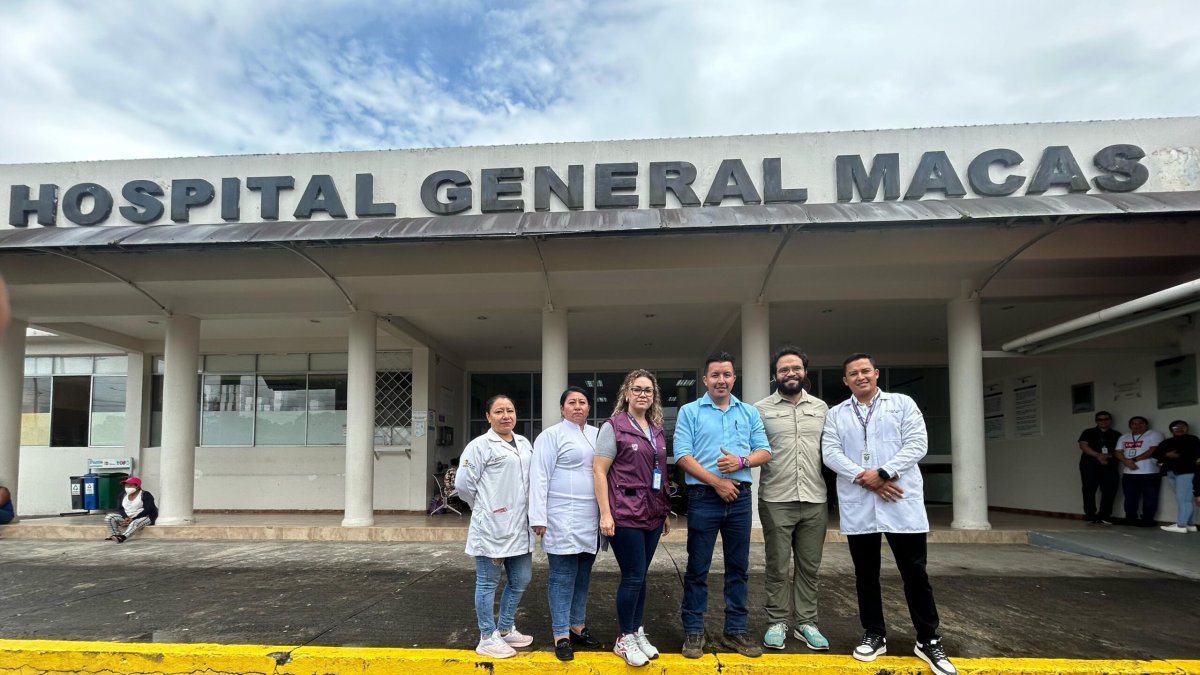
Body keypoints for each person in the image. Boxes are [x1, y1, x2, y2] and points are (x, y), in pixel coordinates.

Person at [822, 353, 956, 675]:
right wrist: (864, 477)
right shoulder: (836, 414)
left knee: (915, 573)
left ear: (876, 373)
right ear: (845, 381)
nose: (860, 377)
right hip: (860, 502)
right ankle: (874, 634)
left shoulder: (902, 404)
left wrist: (883, 473)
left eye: (865, 371)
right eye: (853, 373)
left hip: (900, 499)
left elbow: (917, 444)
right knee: (865, 574)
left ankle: (928, 638)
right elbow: (830, 453)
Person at [673, 352, 771, 659]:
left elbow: (764, 451)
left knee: (738, 568)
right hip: (704, 497)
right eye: (715, 375)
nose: (721, 380)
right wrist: (717, 482)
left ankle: (735, 631)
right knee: (697, 567)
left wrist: (741, 462)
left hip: (740, 498)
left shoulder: (749, 412)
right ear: (705, 379)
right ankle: (693, 631)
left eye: (726, 374)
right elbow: (682, 455)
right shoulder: (690, 411)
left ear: (734, 378)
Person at [754, 345, 830, 651]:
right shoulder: (760, 409)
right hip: (776, 498)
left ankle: (806, 622)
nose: (790, 373)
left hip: (814, 498)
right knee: (777, 565)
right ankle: (777, 621)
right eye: (784, 369)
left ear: (804, 372)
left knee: (809, 567)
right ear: (775, 375)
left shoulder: (821, 408)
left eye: (795, 368)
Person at [594, 370, 672, 667]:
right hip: (625, 513)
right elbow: (599, 471)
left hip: (653, 512)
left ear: (654, 396)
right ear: (626, 393)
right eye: (637, 389)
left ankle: (637, 631)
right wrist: (605, 514)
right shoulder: (613, 427)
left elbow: (660, 473)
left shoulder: (657, 429)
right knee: (633, 576)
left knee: (642, 576)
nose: (642, 394)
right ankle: (624, 638)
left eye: (648, 390)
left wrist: (664, 510)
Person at [455, 395, 536, 659]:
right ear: (488, 416)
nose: (505, 416)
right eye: (499, 411)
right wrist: (485, 507)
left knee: (521, 579)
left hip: (520, 525)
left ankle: (505, 628)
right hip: (492, 526)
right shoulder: (479, 446)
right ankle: (487, 636)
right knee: (488, 582)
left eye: (510, 410)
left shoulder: (524, 443)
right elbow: (463, 485)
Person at [530, 386, 603, 661]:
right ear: (562, 409)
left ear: (589, 408)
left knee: (583, 575)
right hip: (560, 514)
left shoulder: (598, 434)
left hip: (591, 516)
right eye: (571, 402)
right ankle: (560, 633)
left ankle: (577, 625)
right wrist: (538, 517)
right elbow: (539, 476)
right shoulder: (551, 436)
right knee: (562, 576)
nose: (577, 406)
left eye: (582, 402)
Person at [1116, 416, 1165, 527]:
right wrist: (1126, 461)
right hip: (1129, 473)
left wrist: (1133, 460)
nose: (1137, 425)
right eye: (1134, 423)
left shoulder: (1154, 434)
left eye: (1141, 423)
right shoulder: (1124, 437)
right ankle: (1130, 519)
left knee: (1150, 498)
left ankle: (1147, 520)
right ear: (1130, 426)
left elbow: (1153, 450)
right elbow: (1118, 451)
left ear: (1146, 424)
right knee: (1130, 497)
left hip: (1150, 472)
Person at [1077, 410, 1121, 525]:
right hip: (1090, 466)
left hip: (1109, 466)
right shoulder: (1088, 432)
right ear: (1096, 421)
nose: (1103, 421)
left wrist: (1107, 456)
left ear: (1110, 420)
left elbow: (1120, 450)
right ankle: (1090, 515)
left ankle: (1104, 515)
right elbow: (1083, 445)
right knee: (1088, 490)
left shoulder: (1116, 434)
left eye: (1106, 419)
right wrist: (1098, 455)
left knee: (1109, 490)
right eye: (1100, 419)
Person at [1155, 419, 1199, 533]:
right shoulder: (1167, 441)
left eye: (1182, 427)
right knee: (1185, 499)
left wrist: (1176, 455)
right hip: (1171, 472)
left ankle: (1181, 525)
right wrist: (1167, 454)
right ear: (1171, 430)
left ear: (1187, 429)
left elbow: (1193, 453)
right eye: (1176, 427)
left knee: (1184, 499)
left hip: (1186, 472)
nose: (1179, 429)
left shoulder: (1192, 439)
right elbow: (1156, 453)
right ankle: (1190, 524)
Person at [103, 477, 158, 543]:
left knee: (135, 522)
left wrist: (133, 519)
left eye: (130, 485)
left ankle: (123, 537)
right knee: (109, 517)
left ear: (137, 486)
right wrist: (125, 517)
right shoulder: (122, 495)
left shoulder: (145, 494)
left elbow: (148, 509)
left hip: (144, 517)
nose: (127, 487)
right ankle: (115, 535)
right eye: (126, 485)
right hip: (128, 517)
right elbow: (120, 508)